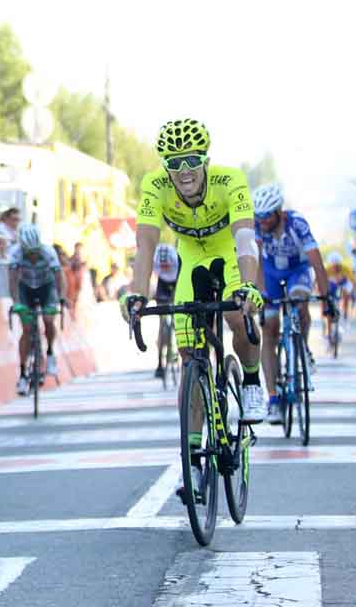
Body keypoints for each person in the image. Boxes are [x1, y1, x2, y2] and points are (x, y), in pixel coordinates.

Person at [120, 118, 265, 501]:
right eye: (174, 162)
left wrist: (248, 285)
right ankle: (195, 463)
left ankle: (250, 380)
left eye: (191, 160)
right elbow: (146, 245)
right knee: (191, 359)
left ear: (205, 159)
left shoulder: (229, 180)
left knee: (238, 314)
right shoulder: (155, 185)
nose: (183, 171)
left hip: (229, 254)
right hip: (192, 259)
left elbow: (246, 238)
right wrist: (138, 294)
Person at [252, 183, 333, 425]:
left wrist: (327, 298)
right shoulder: (256, 225)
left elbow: (317, 263)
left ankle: (303, 347)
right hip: (270, 273)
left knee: (300, 302)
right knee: (269, 329)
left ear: (279, 212)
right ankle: (274, 399)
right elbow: (254, 260)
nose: (262, 220)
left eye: (267, 215)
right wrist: (260, 292)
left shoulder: (297, 223)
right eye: (259, 215)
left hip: (297, 270)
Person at [8, 223, 68, 395]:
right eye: (29, 253)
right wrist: (15, 301)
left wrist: (62, 296)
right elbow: (12, 280)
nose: (33, 256)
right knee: (26, 330)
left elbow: (59, 276)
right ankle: (22, 374)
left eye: (35, 252)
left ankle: (49, 353)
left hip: (46, 287)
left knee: (49, 320)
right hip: (25, 287)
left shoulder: (48, 251)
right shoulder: (15, 252)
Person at [152, 243, 180, 379]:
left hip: (178, 281)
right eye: (164, 266)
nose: (166, 268)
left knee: (181, 316)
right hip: (162, 283)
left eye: (167, 266)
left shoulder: (177, 260)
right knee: (161, 323)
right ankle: (160, 364)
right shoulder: (155, 261)